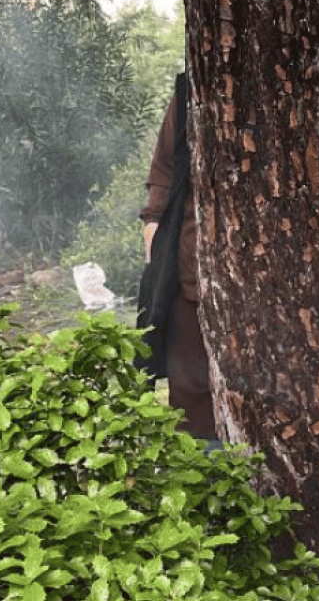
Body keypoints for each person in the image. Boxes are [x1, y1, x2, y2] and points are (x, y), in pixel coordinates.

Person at [139, 75, 218, 442]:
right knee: (191, 393)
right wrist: (156, 251)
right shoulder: (190, 93)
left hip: (264, 294)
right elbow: (164, 176)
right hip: (191, 276)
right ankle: (203, 489)